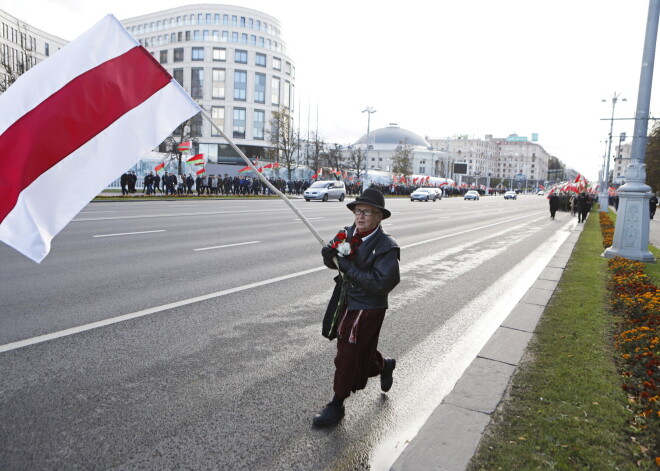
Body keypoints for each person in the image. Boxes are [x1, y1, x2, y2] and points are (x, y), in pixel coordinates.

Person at [314, 188, 400, 427]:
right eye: (357, 211)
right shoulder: (347, 233)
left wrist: (347, 267)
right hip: (347, 299)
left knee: (348, 351)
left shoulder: (386, 247)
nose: (360, 216)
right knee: (360, 351)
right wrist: (328, 256)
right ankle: (384, 365)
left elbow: (382, 284)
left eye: (367, 212)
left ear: (379, 216)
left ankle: (337, 404)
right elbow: (336, 264)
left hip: (369, 306)